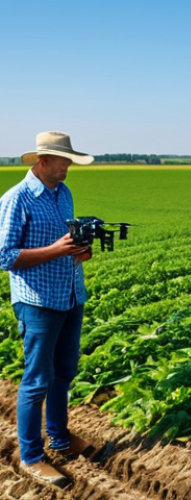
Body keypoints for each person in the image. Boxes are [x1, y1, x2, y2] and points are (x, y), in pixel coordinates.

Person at [0, 131, 95, 487]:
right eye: (63, 161)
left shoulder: (63, 193)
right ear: (43, 162)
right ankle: (31, 457)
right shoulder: (16, 199)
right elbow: (4, 256)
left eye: (69, 161)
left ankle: (60, 438)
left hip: (70, 294)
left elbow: (68, 243)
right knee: (37, 380)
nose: (68, 166)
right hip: (37, 301)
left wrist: (79, 251)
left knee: (64, 372)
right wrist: (56, 250)